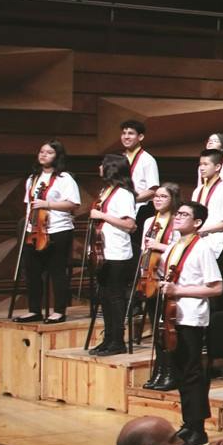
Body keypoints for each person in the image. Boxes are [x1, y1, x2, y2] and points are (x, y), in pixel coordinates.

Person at [154, 201, 223, 441]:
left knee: (192, 372)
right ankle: (188, 422)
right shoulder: (173, 246)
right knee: (180, 371)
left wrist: (180, 291)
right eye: (178, 213)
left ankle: (198, 429)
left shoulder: (202, 248)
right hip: (172, 314)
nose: (178, 217)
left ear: (197, 223)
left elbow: (216, 288)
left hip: (191, 316)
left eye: (184, 215)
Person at [17, 140, 81, 324]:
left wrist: (48, 204)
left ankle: (59, 311)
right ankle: (34, 310)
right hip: (34, 230)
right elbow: (28, 205)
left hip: (58, 230)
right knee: (32, 271)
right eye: (42, 151)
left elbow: (73, 204)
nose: (44, 155)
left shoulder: (64, 179)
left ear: (57, 156)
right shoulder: (32, 179)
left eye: (49, 152)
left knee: (57, 271)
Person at [87, 153, 140, 356]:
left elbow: (129, 224)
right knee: (104, 297)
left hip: (117, 252)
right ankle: (108, 338)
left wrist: (102, 216)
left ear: (111, 168)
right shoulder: (106, 190)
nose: (99, 167)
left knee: (115, 297)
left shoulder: (124, 194)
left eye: (102, 164)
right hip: (103, 251)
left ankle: (118, 340)